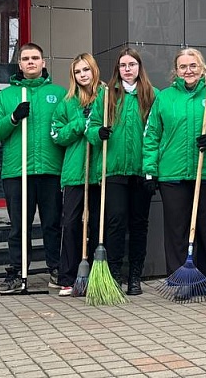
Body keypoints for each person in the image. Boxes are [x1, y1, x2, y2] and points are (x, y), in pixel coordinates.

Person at [0, 42, 66, 294]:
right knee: (19, 226)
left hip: (50, 170)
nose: (31, 62)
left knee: (52, 224)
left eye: (35, 58)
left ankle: (56, 268)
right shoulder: (7, 96)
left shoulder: (59, 93)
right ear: (19, 64)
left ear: (43, 62)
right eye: (26, 58)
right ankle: (17, 271)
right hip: (17, 171)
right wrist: (12, 118)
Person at [143, 49, 206, 278]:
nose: (188, 71)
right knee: (177, 230)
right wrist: (150, 170)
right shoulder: (165, 97)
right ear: (176, 71)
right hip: (173, 174)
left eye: (193, 66)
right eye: (183, 67)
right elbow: (152, 135)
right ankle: (178, 279)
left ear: (202, 68)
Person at [85, 48, 157, 295]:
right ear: (118, 69)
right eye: (123, 65)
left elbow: (158, 133)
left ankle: (135, 276)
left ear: (139, 67)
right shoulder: (107, 96)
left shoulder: (150, 95)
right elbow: (90, 127)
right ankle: (113, 274)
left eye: (132, 64)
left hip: (140, 169)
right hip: (113, 168)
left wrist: (151, 170)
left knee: (139, 224)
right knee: (114, 222)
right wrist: (98, 133)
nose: (128, 69)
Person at [50, 53, 103, 297]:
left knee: (97, 225)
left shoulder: (106, 96)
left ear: (94, 70)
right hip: (74, 172)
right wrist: (78, 125)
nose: (83, 75)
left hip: (100, 171)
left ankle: (96, 275)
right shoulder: (67, 102)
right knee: (71, 224)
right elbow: (57, 135)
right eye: (78, 72)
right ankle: (69, 277)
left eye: (86, 70)